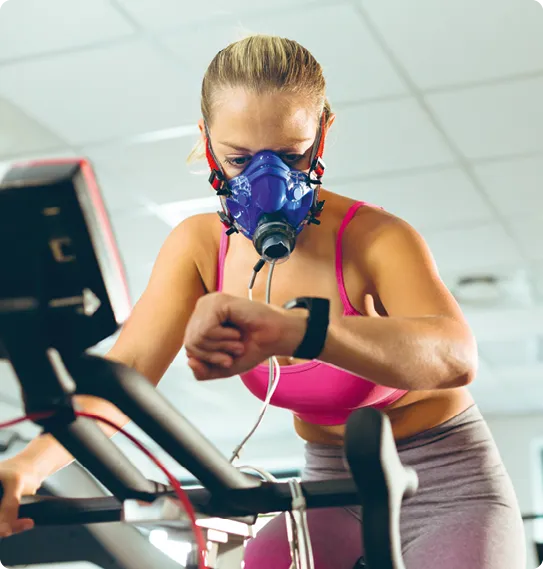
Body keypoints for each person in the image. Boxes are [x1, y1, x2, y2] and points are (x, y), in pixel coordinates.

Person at [0, 35, 525, 568]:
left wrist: (297, 329)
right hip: (329, 488)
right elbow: (126, 373)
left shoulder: (378, 238)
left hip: (445, 484)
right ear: (206, 142)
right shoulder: (199, 247)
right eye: (239, 158)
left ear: (324, 134)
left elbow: (455, 356)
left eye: (292, 154)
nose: (266, 180)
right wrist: (27, 468)